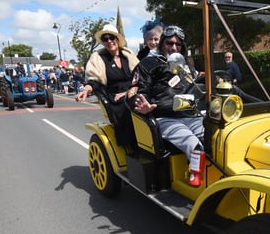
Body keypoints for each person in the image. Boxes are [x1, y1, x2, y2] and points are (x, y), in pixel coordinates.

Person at [127, 25, 206, 186]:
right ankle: (197, 179)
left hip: (191, 114)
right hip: (165, 117)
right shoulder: (149, 63)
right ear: (162, 43)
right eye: (170, 43)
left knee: (219, 136)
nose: (174, 47)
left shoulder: (187, 66)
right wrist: (143, 106)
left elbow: (198, 87)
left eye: (178, 44)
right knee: (194, 145)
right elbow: (135, 91)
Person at [76, 24, 139, 145]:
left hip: (133, 91)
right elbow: (94, 80)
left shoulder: (128, 56)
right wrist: (86, 90)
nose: (109, 41)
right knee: (131, 103)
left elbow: (140, 76)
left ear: (117, 39)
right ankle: (130, 143)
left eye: (112, 38)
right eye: (105, 39)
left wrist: (131, 91)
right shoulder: (100, 58)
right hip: (115, 97)